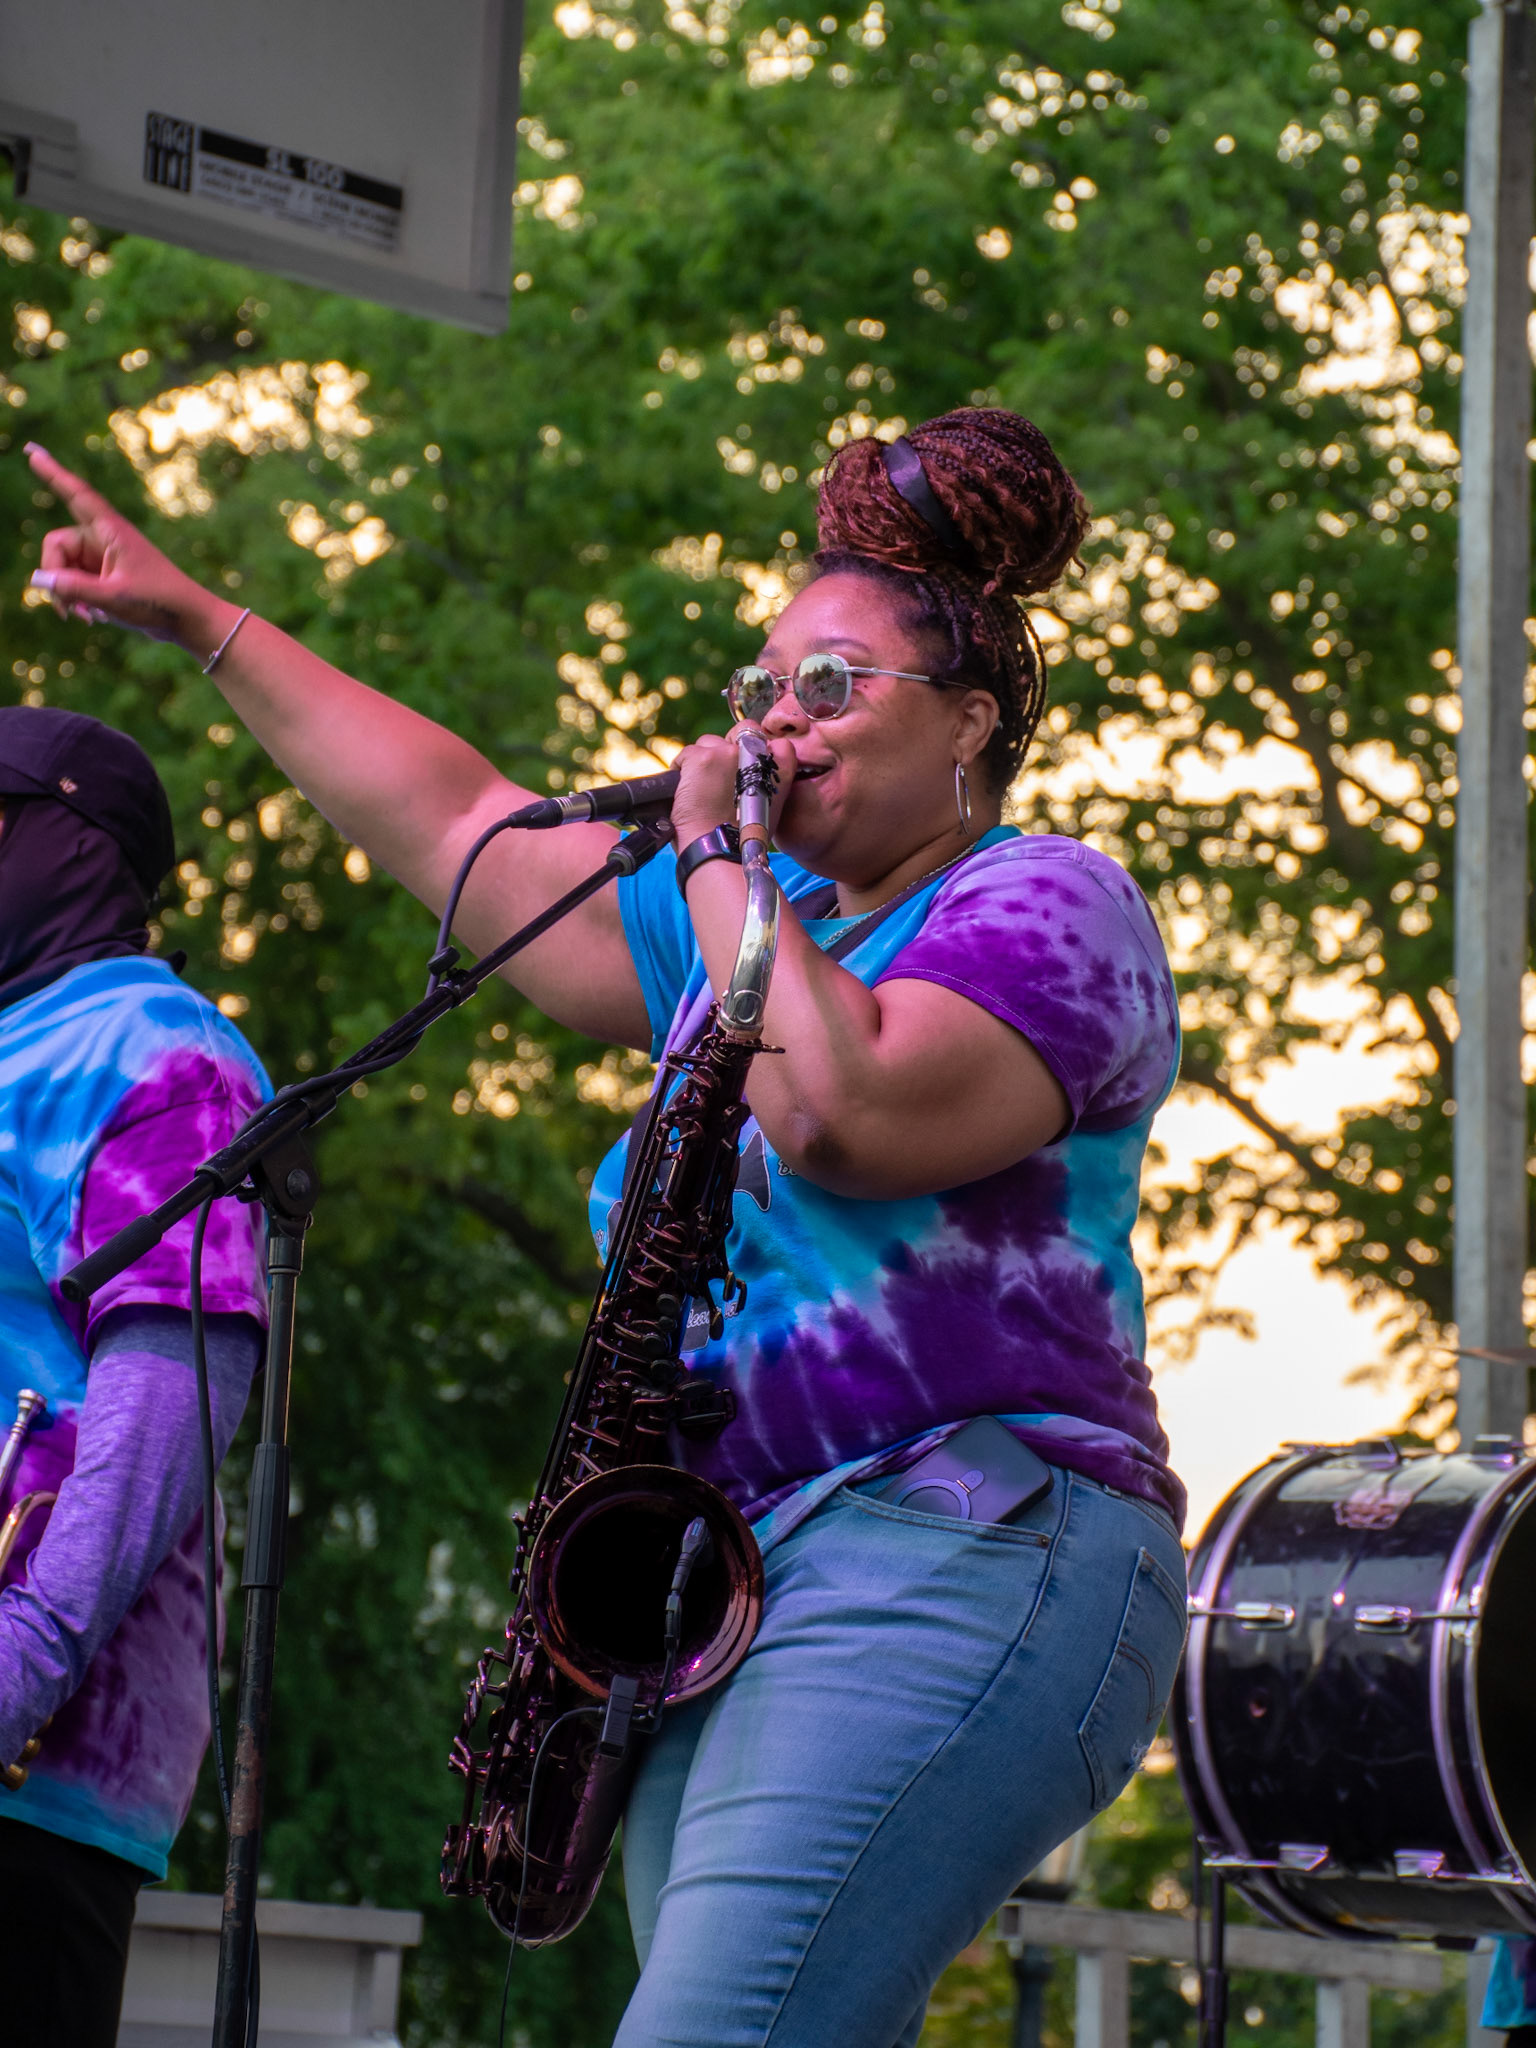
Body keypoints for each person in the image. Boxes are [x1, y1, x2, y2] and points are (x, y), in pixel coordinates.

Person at [26, 407, 1186, 2048]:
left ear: (973, 722)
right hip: (735, 1587)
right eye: (764, 688)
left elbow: (838, 1108)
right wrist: (197, 616)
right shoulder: (726, 924)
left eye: (833, 688)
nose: (781, 721)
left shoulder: (1046, 902)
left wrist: (718, 844)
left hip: (968, 1538)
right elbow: (458, 827)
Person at [0, 706, 269, 2046]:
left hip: (31, 1769)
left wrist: (20, 1662)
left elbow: (171, 1395)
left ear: (73, 841)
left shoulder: (162, 1056)